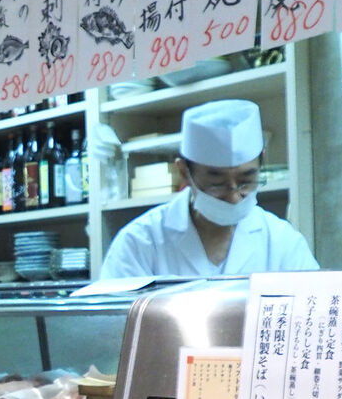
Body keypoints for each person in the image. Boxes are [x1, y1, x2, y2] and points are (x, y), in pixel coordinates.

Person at [99, 99, 318, 280]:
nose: (234, 197)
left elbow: (313, 309)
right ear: (184, 173)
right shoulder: (140, 243)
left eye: (246, 181)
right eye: (217, 184)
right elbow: (114, 318)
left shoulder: (282, 241)